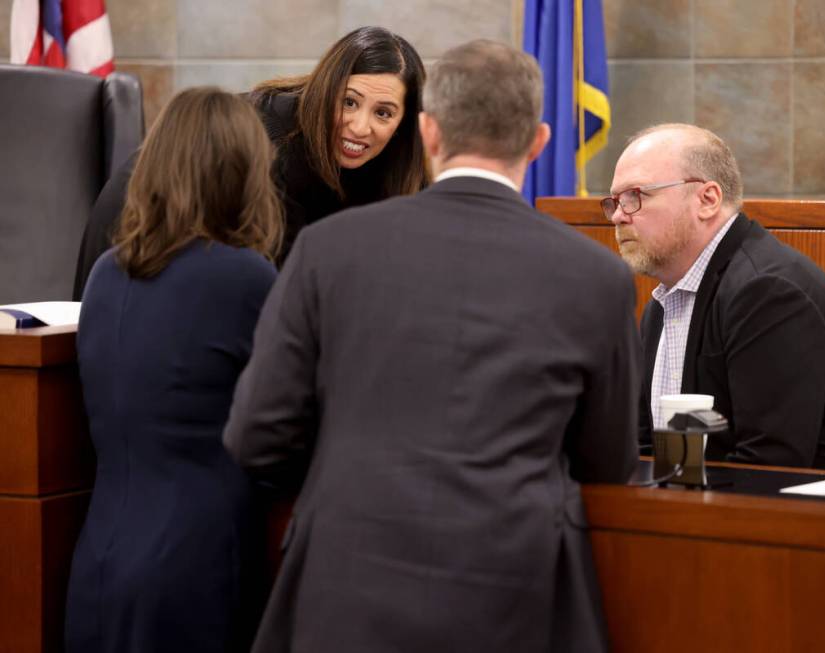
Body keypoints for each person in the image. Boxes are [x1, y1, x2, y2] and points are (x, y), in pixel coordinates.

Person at [223, 40, 639, 653]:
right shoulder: (598, 277)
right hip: (514, 596)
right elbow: (608, 463)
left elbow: (257, 432)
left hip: (343, 582)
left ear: (428, 132)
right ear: (539, 142)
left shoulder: (328, 250)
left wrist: (344, 483)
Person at [64, 87, 284, 653]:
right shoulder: (244, 277)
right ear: (244, 169)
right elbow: (286, 428)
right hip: (197, 565)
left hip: (97, 563)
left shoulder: (107, 274)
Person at [605, 123, 825, 476]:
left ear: (707, 200)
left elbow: (769, 465)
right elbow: (653, 449)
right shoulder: (664, 303)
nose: (618, 215)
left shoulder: (767, 291)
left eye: (636, 196)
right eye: (614, 201)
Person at [73, 25, 427, 298]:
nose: (360, 126)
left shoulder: (394, 162)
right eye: (349, 102)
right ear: (326, 89)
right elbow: (285, 300)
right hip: (135, 248)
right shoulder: (276, 149)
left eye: (383, 113)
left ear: (405, 123)